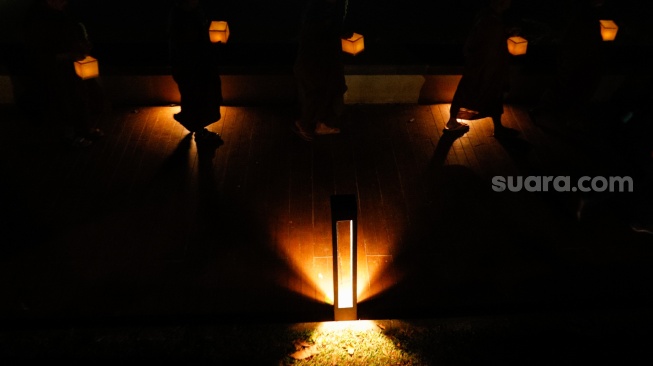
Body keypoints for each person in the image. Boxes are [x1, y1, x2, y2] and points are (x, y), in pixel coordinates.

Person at [23, 0, 104, 147]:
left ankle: (84, 129)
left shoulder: (62, 12)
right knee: (63, 101)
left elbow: (73, 32)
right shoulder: (39, 18)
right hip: (54, 70)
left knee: (79, 97)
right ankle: (69, 136)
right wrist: (69, 55)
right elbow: (39, 52)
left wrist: (82, 45)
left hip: (70, 66)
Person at [444, 0, 518, 138]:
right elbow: (486, 44)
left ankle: (498, 126)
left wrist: (506, 33)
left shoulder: (489, 16)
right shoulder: (490, 19)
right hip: (484, 66)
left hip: (487, 66)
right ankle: (452, 121)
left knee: (494, 97)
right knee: (469, 90)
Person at [169, 0, 223, 146]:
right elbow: (193, 47)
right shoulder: (186, 21)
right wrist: (212, 45)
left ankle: (196, 127)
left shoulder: (185, 16)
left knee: (195, 99)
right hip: (194, 68)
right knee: (199, 99)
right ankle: (199, 131)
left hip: (192, 68)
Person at [292, 0, 348, 141]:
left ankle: (317, 123)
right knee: (322, 89)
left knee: (321, 89)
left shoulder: (314, 11)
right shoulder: (323, 13)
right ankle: (311, 123)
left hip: (317, 54)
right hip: (320, 55)